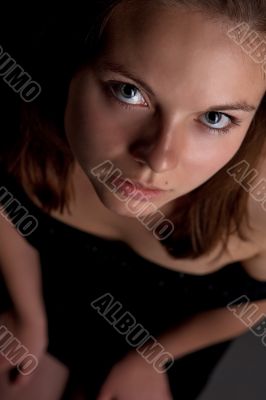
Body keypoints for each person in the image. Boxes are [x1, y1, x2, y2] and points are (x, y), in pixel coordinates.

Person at [0, 0, 266, 398]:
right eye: (129, 92)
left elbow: (259, 301)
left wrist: (155, 356)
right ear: (73, 64)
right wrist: (27, 316)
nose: (158, 158)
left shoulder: (258, 198)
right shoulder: (18, 105)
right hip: (37, 284)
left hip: (168, 335)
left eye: (215, 118)